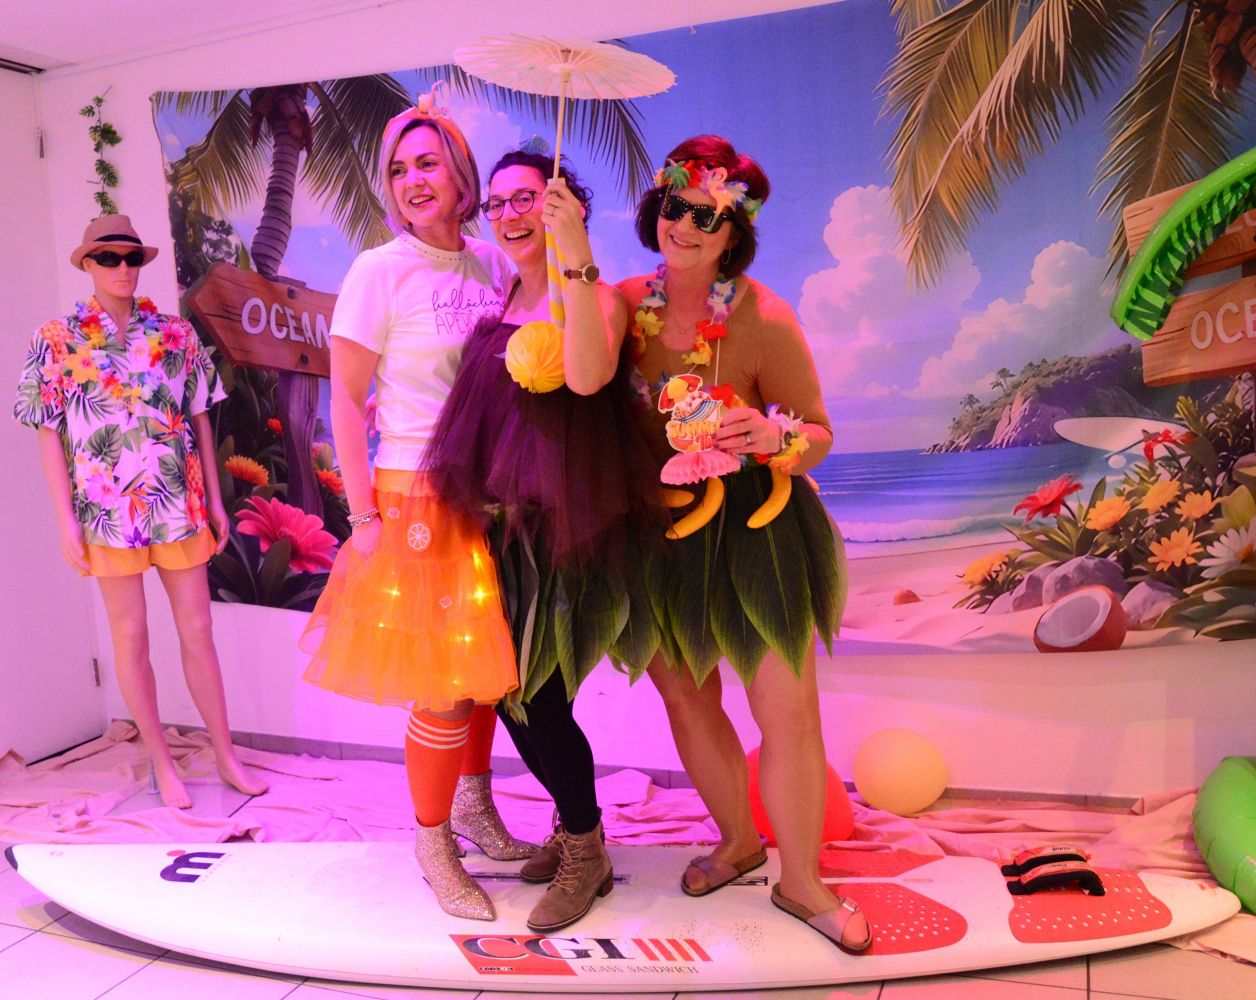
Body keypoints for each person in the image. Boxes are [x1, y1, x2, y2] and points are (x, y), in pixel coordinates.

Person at [617, 136, 871, 953]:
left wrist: (773, 434)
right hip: (659, 528)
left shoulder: (765, 316)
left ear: (734, 233)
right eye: (675, 206)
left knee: (786, 708)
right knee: (687, 697)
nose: (685, 226)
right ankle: (737, 843)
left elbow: (819, 433)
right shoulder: (621, 308)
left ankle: (803, 882)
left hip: (760, 525)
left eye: (708, 216)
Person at [299, 91, 534, 921]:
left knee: (484, 676)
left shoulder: (494, 263)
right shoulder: (378, 270)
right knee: (440, 688)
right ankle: (432, 842)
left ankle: (474, 808)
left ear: (462, 174)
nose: (412, 181)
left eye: (427, 162)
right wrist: (362, 519)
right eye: (398, 170)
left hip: (493, 494)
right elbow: (345, 403)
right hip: (416, 496)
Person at [426, 144, 662, 931]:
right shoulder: (502, 297)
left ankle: (586, 850)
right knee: (508, 690)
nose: (509, 213)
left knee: (536, 695)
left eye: (526, 197)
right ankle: (572, 828)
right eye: (497, 203)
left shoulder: (593, 294)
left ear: (566, 205)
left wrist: (578, 255)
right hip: (495, 529)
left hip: (559, 531)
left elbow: (589, 378)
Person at [14, 214, 269, 809]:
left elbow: (201, 417)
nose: (122, 268)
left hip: (177, 501)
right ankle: (160, 759)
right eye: (108, 258)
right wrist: (63, 519)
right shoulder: (55, 339)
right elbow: (48, 431)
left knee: (198, 628)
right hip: (105, 513)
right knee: (131, 636)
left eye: (131, 257)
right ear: (87, 264)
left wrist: (214, 499)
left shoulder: (174, 334)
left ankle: (225, 754)